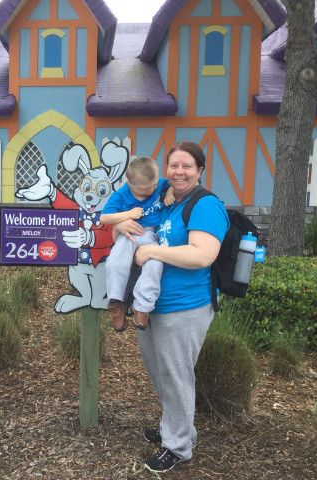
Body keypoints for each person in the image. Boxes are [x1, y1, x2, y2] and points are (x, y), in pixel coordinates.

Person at [117, 141, 229, 474]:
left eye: (187, 166)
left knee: (177, 376)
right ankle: (176, 427)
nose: (179, 172)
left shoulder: (206, 205)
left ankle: (178, 445)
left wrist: (153, 254)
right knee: (161, 373)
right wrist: (122, 224)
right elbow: (140, 218)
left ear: (200, 171)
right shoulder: (166, 201)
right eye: (174, 165)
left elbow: (202, 255)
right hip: (152, 305)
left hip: (185, 306)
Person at [100, 157, 174, 332]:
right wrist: (127, 214)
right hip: (129, 233)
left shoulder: (156, 184)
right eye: (145, 188)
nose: (152, 190)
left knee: (155, 264)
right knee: (115, 261)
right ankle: (116, 303)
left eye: (154, 185)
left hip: (150, 234)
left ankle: (142, 307)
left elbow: (169, 183)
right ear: (129, 183)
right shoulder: (121, 195)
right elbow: (104, 217)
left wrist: (169, 192)